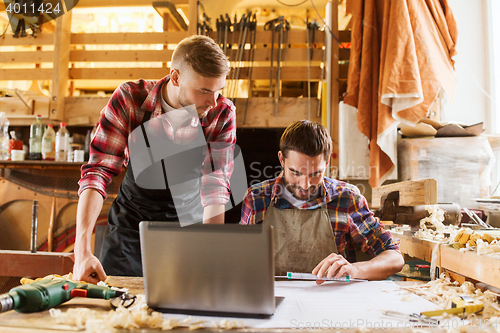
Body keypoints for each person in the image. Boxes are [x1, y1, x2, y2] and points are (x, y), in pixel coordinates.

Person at [74, 35, 236, 283]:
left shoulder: (221, 113)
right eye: (204, 90)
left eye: (218, 91)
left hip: (188, 230)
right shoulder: (130, 99)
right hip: (130, 230)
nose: (212, 101)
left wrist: (210, 248)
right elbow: (98, 172)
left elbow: (215, 185)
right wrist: (82, 249)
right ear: (175, 77)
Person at [240, 120, 404, 282]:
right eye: (295, 173)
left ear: (326, 163)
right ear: (282, 159)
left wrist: (355, 270)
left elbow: (394, 257)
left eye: (314, 174)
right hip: (272, 300)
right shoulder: (257, 198)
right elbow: (239, 260)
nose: (305, 185)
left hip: (330, 302)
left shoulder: (346, 198)